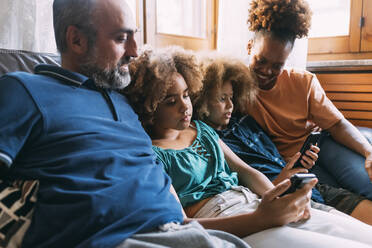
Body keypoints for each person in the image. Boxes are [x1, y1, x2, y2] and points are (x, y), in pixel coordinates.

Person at [0, 0, 251, 247]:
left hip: (181, 231)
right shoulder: (25, 90)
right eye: (121, 39)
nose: (134, 51)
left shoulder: (124, 101)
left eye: (135, 37)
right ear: (76, 40)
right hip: (112, 237)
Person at [125, 46, 372, 248]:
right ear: (149, 107)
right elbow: (182, 224)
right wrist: (260, 219)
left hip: (256, 202)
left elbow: (246, 172)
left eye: (187, 95)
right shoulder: (152, 154)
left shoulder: (202, 131)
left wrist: (279, 198)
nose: (185, 106)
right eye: (171, 101)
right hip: (229, 221)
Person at [193, 54, 372, 225]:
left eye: (231, 97)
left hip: (308, 184)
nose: (230, 105)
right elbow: (249, 189)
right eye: (222, 99)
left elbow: (337, 123)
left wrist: (297, 165)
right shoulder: (209, 140)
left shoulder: (243, 120)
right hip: (283, 195)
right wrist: (282, 178)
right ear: (202, 101)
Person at [245, 0, 372, 201]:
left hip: (321, 145)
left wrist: (368, 152)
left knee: (367, 184)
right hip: (291, 164)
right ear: (249, 47)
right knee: (340, 200)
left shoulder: (302, 82)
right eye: (261, 61)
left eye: (277, 66)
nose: (267, 72)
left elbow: (337, 124)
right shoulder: (235, 88)